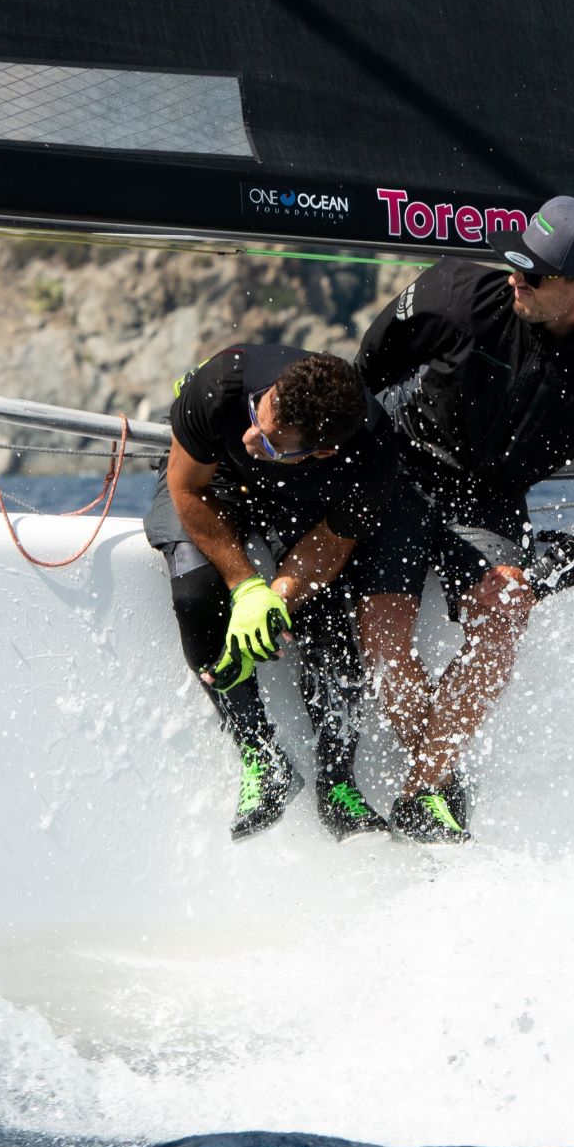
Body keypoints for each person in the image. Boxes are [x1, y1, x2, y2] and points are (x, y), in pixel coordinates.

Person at [355, 196, 574, 842]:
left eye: (534, 274)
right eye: (515, 262)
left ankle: (421, 790)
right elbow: (369, 366)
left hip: (491, 498)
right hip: (406, 468)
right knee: (383, 631)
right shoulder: (459, 291)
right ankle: (440, 773)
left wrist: (542, 574)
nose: (514, 278)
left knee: (502, 618)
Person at [144, 346, 407, 842]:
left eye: (268, 440)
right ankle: (262, 758)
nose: (250, 436)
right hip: (212, 478)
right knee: (195, 592)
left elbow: (332, 543)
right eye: (256, 416)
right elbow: (185, 488)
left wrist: (277, 598)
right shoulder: (222, 385)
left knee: (326, 615)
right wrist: (246, 589)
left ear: (321, 451)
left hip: (305, 498)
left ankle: (337, 783)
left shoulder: (370, 455)